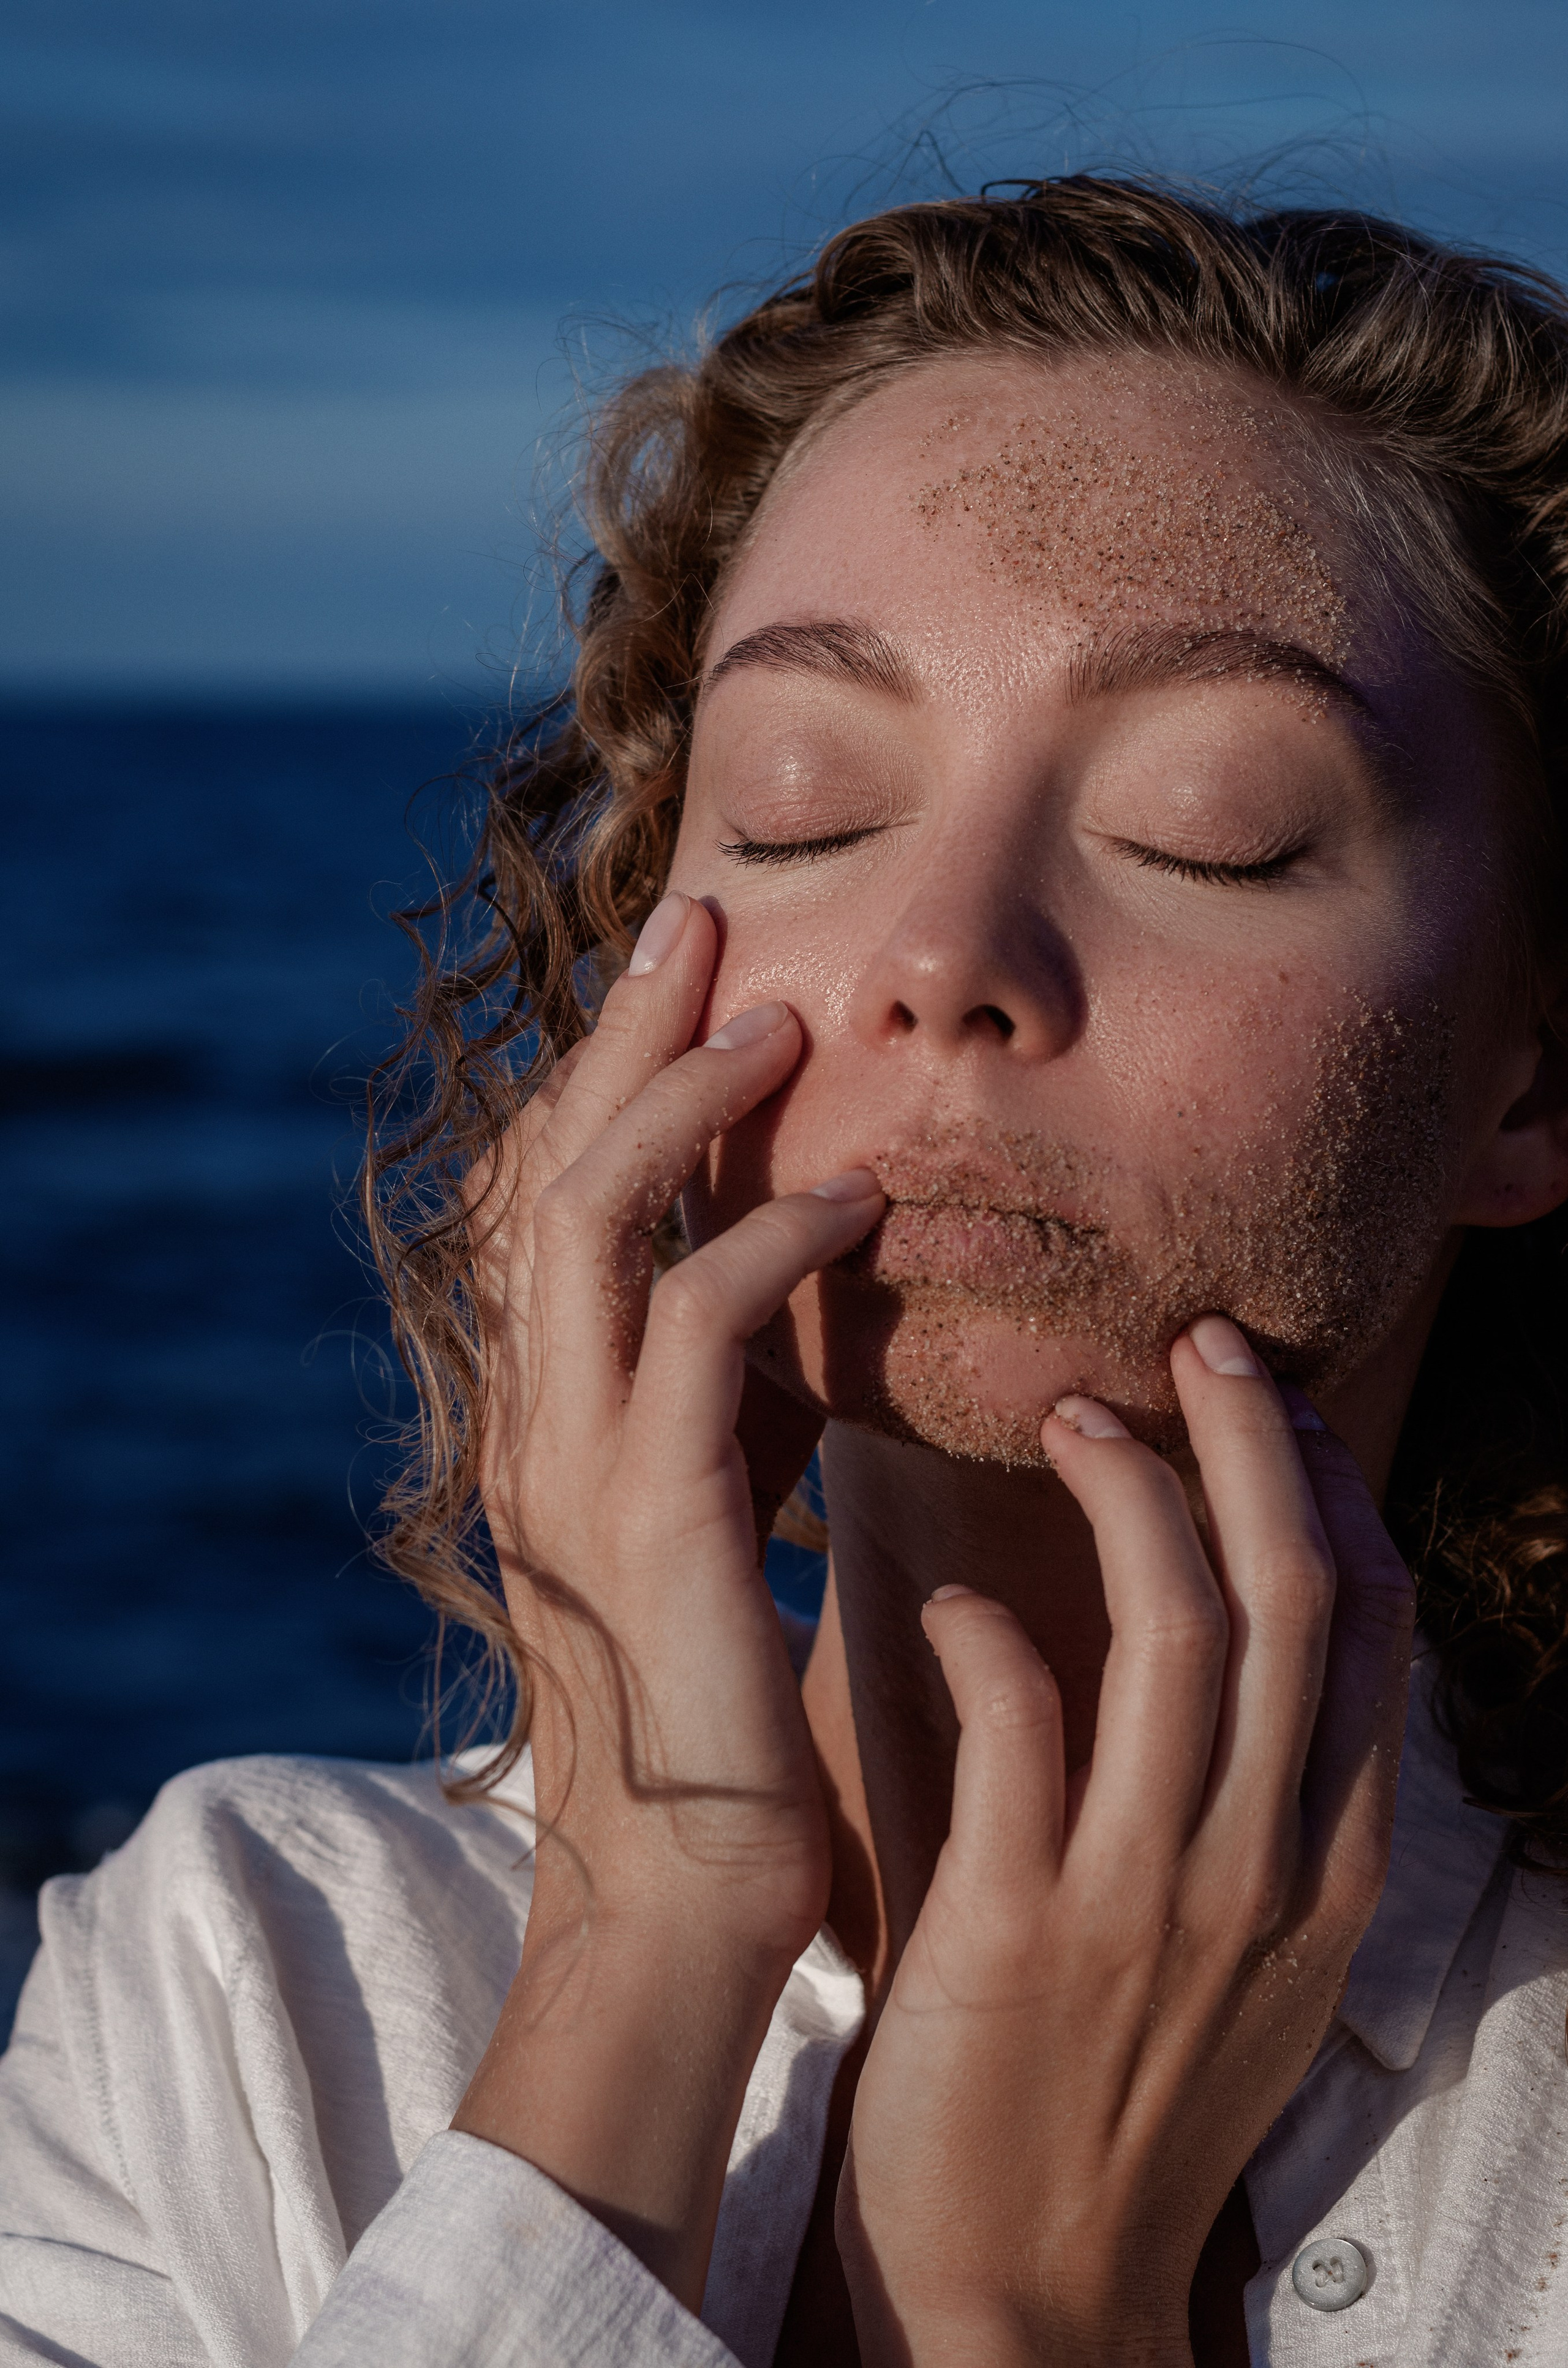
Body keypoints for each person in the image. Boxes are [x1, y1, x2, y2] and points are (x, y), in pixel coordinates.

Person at [6, 174, 1568, 2368]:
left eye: (1213, 823)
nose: (943, 955)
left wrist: (1029, 2314)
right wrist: (637, 1944)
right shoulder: (247, 1986)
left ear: (1532, 1066)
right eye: (806, 804)